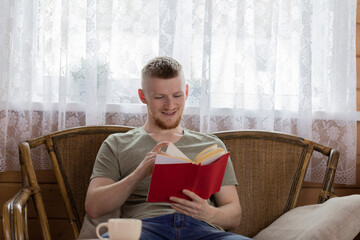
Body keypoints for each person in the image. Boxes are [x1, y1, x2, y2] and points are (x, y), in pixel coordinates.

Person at [82, 56, 250, 240]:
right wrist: (140, 172)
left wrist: (208, 213)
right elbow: (94, 207)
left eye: (177, 95)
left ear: (186, 92)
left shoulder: (212, 146)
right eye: (160, 97)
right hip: (145, 229)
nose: (170, 105)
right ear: (142, 96)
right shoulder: (117, 144)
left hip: (203, 230)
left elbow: (234, 214)